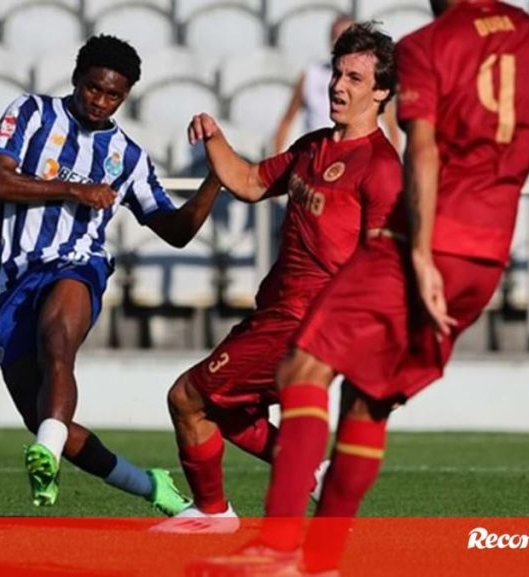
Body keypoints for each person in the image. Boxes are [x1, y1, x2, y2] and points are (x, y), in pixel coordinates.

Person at [204, 1, 529, 574]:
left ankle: (279, 549)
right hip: (487, 259)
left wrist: (418, 253)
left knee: (303, 370)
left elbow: (421, 150)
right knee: (367, 401)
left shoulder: (426, 47)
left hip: (427, 241)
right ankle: (319, 561)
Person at [152, 23, 403, 533]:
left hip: (305, 324)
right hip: (276, 312)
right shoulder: (313, 146)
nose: (338, 86)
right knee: (229, 413)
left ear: (381, 92)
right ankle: (315, 474)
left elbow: (383, 264)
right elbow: (246, 182)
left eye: (355, 78)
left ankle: (213, 512)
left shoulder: (381, 168)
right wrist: (216, 138)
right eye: (337, 73)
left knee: (188, 397)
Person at [0, 34, 222, 513]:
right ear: (77, 79)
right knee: (42, 416)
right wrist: (73, 190)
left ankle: (45, 454)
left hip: (77, 263)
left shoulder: (127, 157)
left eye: (113, 96)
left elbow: (174, 230)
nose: (100, 102)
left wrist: (217, 180)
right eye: (93, 89)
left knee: (57, 343)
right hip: (13, 278)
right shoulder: (30, 113)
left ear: (125, 96)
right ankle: (151, 487)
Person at [274, 15, 403, 153]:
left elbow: (390, 124)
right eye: (336, 37)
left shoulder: (372, 78)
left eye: (354, 78)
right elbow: (287, 120)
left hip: (358, 155)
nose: (337, 86)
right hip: (317, 156)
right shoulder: (311, 74)